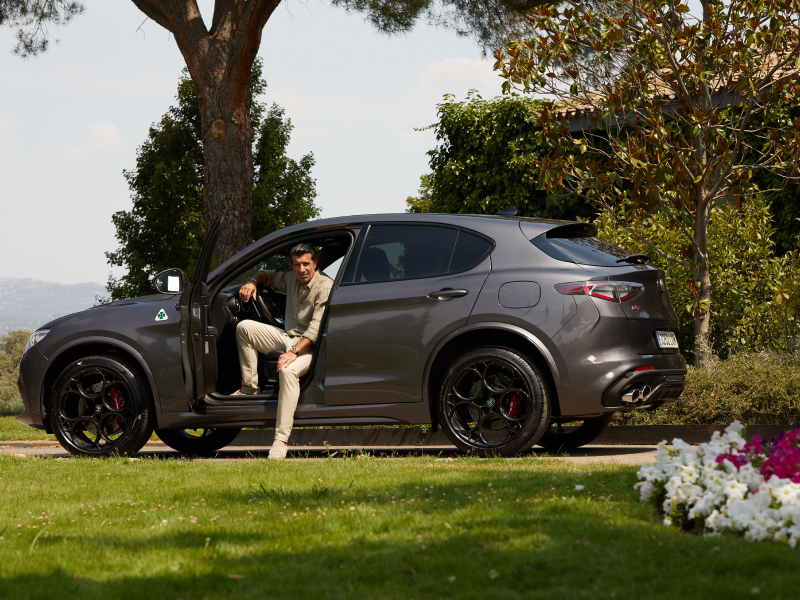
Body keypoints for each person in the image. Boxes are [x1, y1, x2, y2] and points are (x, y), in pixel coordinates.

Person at [235, 243, 332, 460]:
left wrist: (293, 353)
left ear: (315, 264)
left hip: (310, 348)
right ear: (292, 266)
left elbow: (315, 330)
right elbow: (266, 275)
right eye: (297, 265)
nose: (302, 269)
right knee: (244, 328)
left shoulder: (325, 287)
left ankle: (280, 440)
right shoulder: (291, 278)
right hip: (288, 337)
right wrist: (252, 282)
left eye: (306, 264)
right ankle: (249, 387)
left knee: (287, 371)